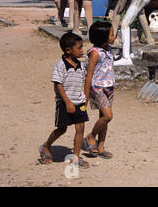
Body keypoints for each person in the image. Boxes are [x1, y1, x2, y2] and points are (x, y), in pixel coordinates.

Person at [39, 32, 89, 168]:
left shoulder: (80, 64)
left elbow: (84, 81)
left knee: (80, 128)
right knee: (62, 129)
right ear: (68, 50)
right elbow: (58, 85)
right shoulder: (60, 65)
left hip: (79, 102)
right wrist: (67, 102)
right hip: (65, 103)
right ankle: (46, 146)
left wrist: (84, 98)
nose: (81, 50)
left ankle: (76, 157)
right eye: (79, 48)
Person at [83, 21, 116, 159]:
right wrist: (85, 96)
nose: (114, 37)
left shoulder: (108, 50)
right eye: (111, 34)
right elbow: (88, 75)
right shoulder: (95, 53)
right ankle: (91, 136)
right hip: (97, 88)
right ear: (103, 37)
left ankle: (101, 147)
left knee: (104, 119)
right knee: (108, 116)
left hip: (109, 86)